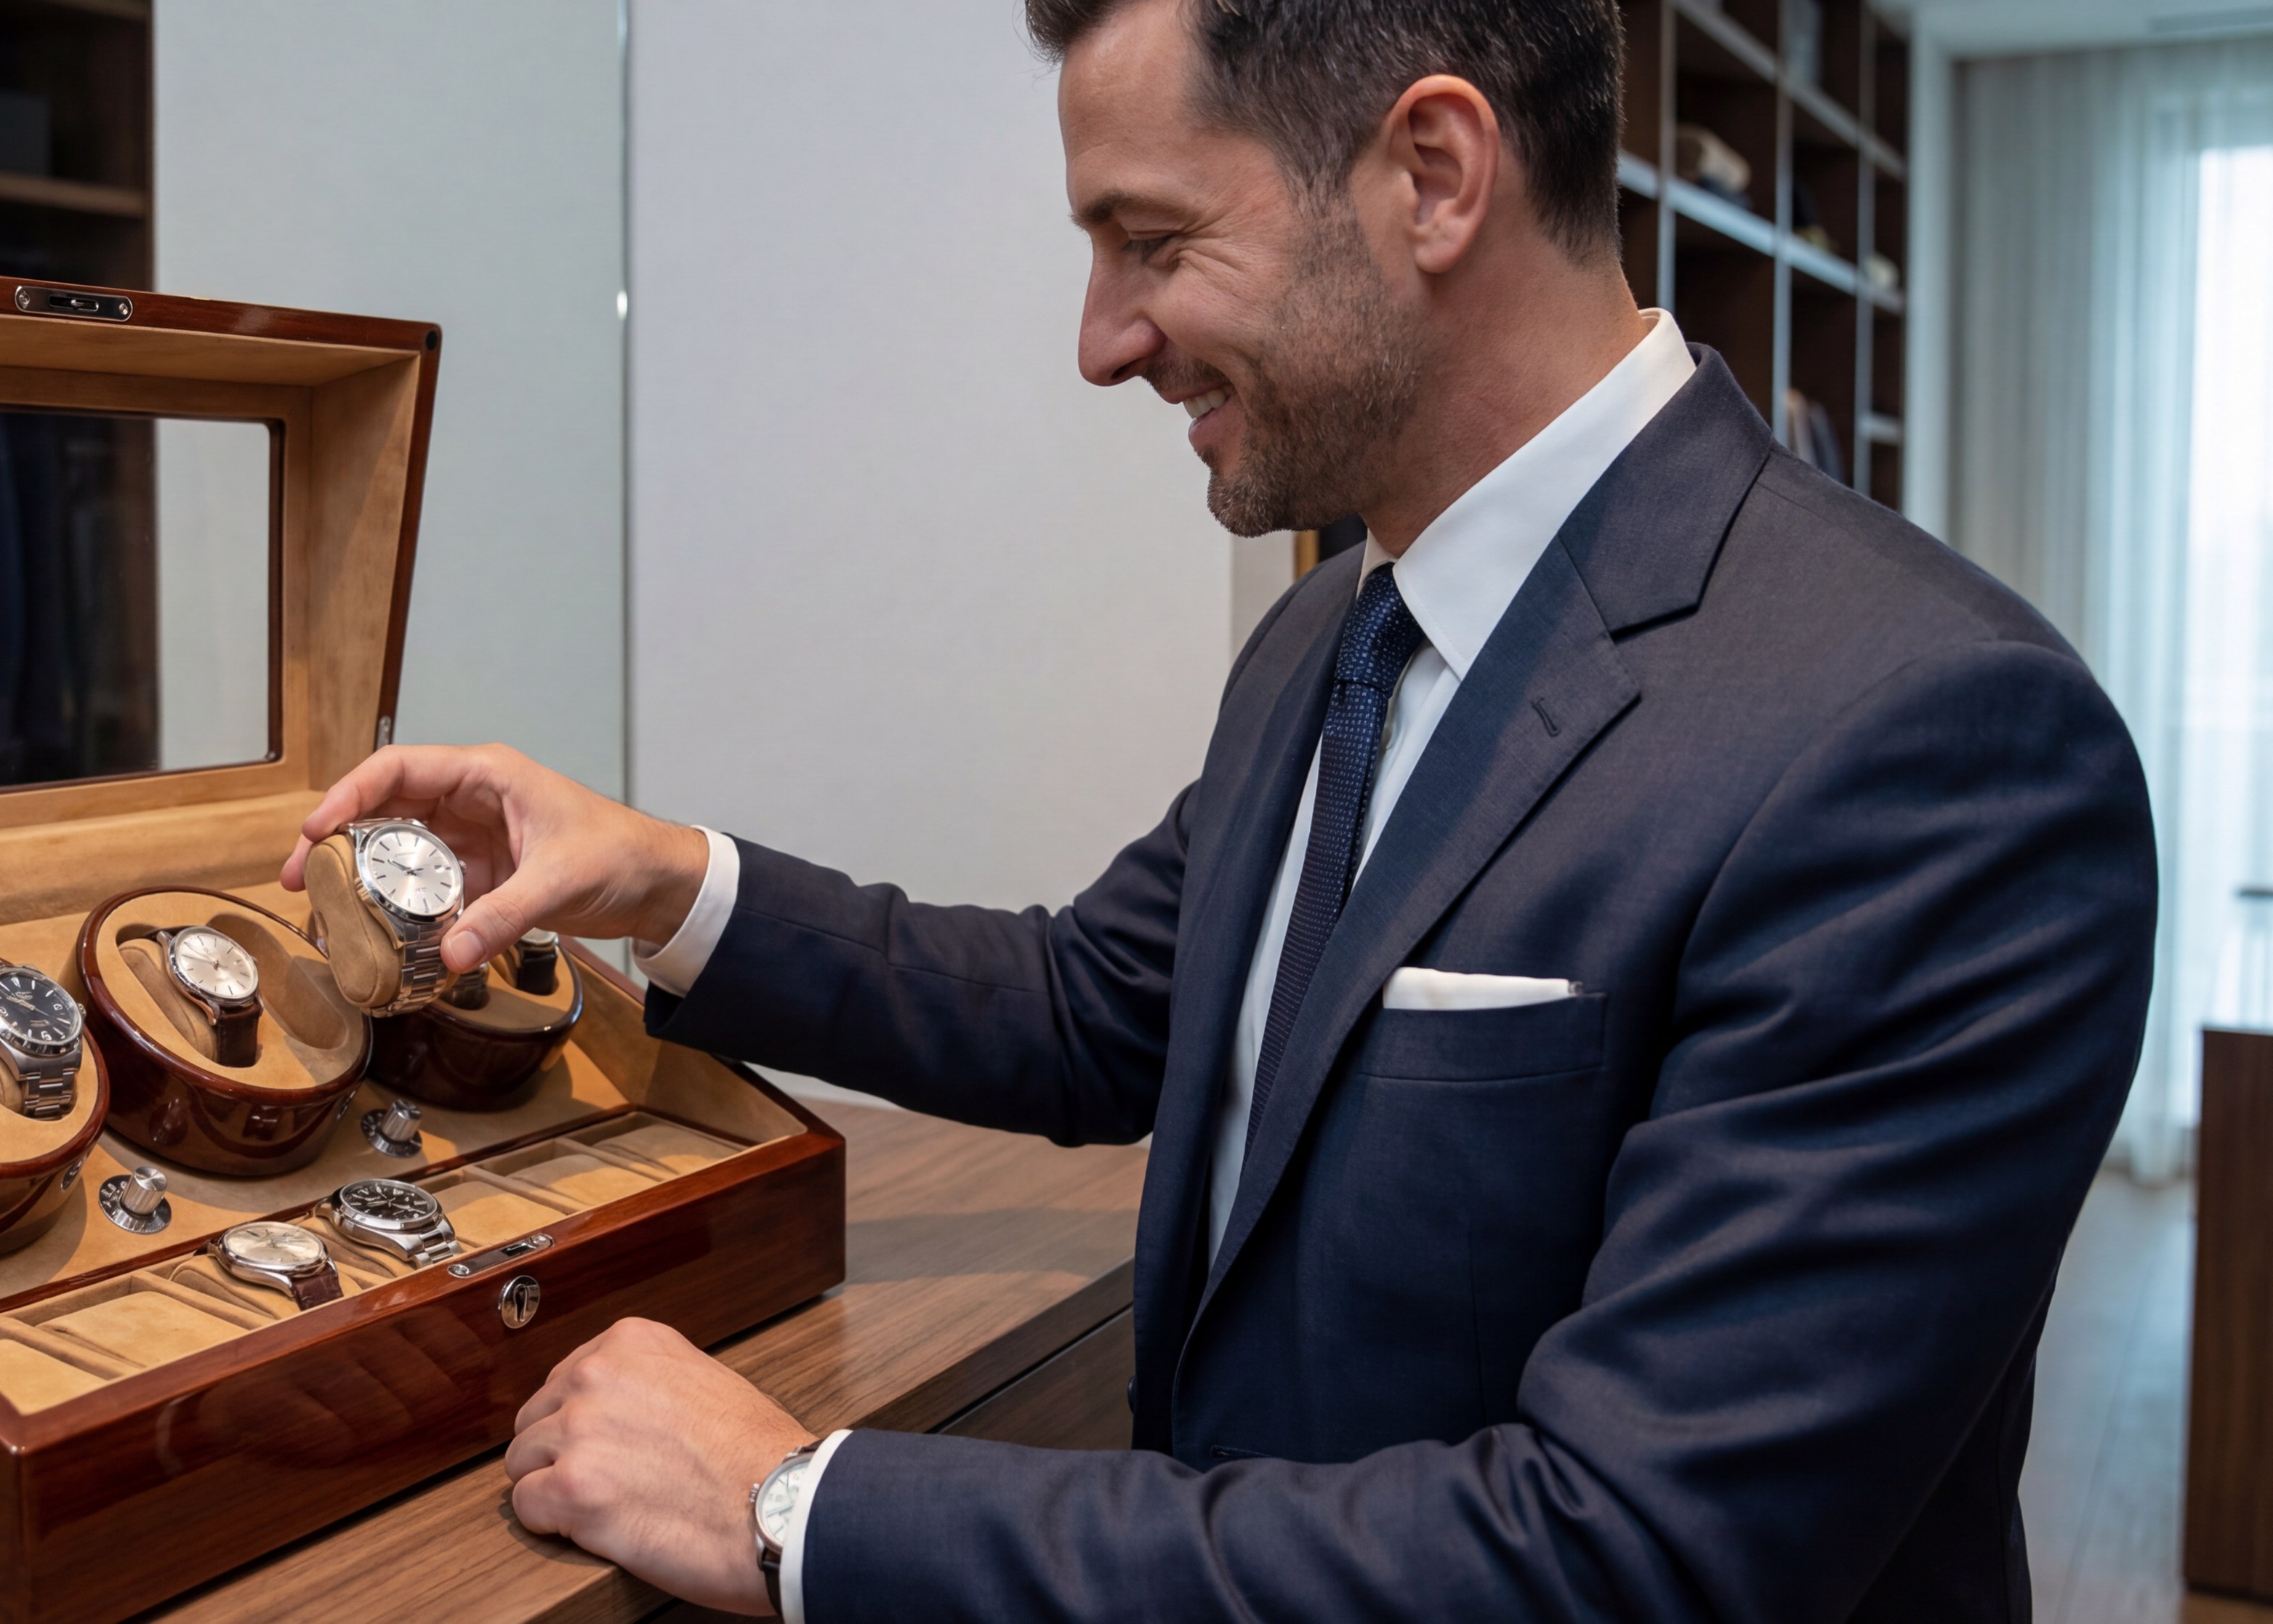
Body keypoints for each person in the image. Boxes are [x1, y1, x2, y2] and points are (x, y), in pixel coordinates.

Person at [286, 0, 2157, 1617]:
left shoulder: (1931, 744)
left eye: (1148, 239)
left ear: (1431, 173)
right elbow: (1103, 1006)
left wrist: (801, 1511)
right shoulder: (1333, 636)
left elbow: (1630, 1559)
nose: (1102, 340)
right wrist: (663, 879)